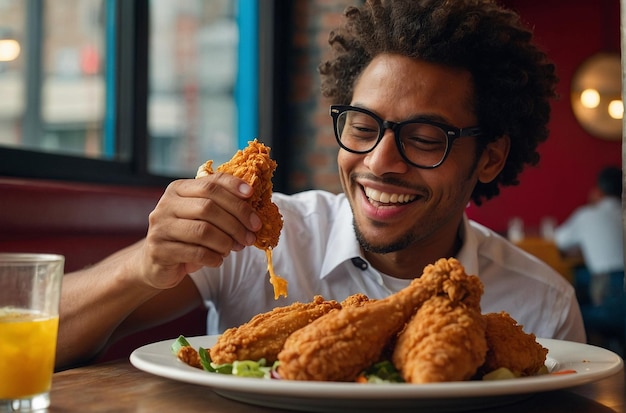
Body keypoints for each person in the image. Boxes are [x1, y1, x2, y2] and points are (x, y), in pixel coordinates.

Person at [56, 0, 585, 369]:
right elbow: (35, 342)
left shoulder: (542, 305)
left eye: (424, 138)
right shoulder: (257, 238)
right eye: (361, 127)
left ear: (489, 158)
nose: (379, 162)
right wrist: (145, 265)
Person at [554, 166, 624, 350]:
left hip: (612, 292)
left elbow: (559, 240)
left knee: (566, 316)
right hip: (615, 290)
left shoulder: (588, 215)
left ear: (598, 191)